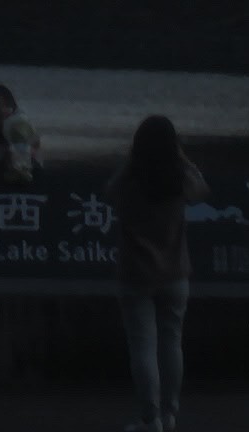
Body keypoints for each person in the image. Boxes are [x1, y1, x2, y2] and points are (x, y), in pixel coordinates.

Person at [105, 115, 208, 432]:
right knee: (171, 343)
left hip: (135, 275)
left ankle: (149, 418)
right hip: (175, 274)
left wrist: (130, 162)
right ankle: (170, 413)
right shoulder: (178, 184)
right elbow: (203, 190)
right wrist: (183, 158)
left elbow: (108, 192)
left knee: (143, 347)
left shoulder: (130, 185)